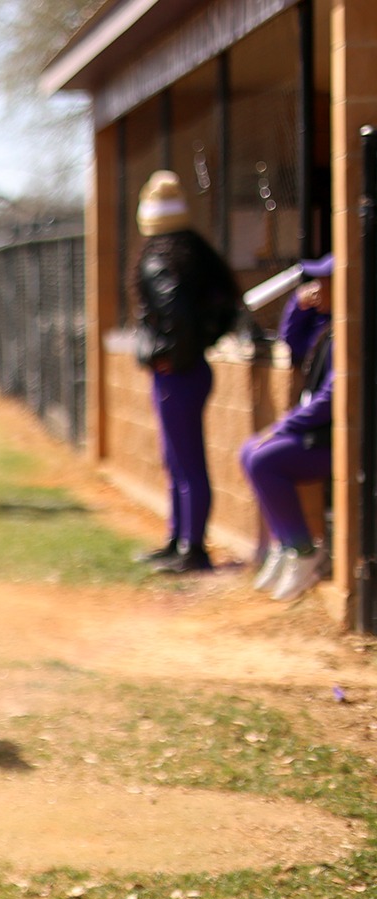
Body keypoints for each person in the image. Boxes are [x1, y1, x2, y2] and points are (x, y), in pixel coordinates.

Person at [130, 169, 241, 574]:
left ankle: (192, 548)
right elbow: (222, 308)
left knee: (185, 461)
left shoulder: (160, 257)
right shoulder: (195, 252)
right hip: (190, 371)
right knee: (178, 459)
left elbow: (175, 312)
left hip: (178, 375)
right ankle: (179, 541)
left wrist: (169, 355)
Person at [241, 253, 334, 600]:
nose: (314, 288)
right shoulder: (327, 323)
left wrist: (284, 428)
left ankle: (305, 553)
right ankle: (288, 544)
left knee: (265, 460)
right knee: (249, 450)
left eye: (324, 281)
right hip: (317, 431)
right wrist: (298, 306)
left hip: (336, 440)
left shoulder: (350, 330)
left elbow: (331, 399)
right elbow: (291, 345)